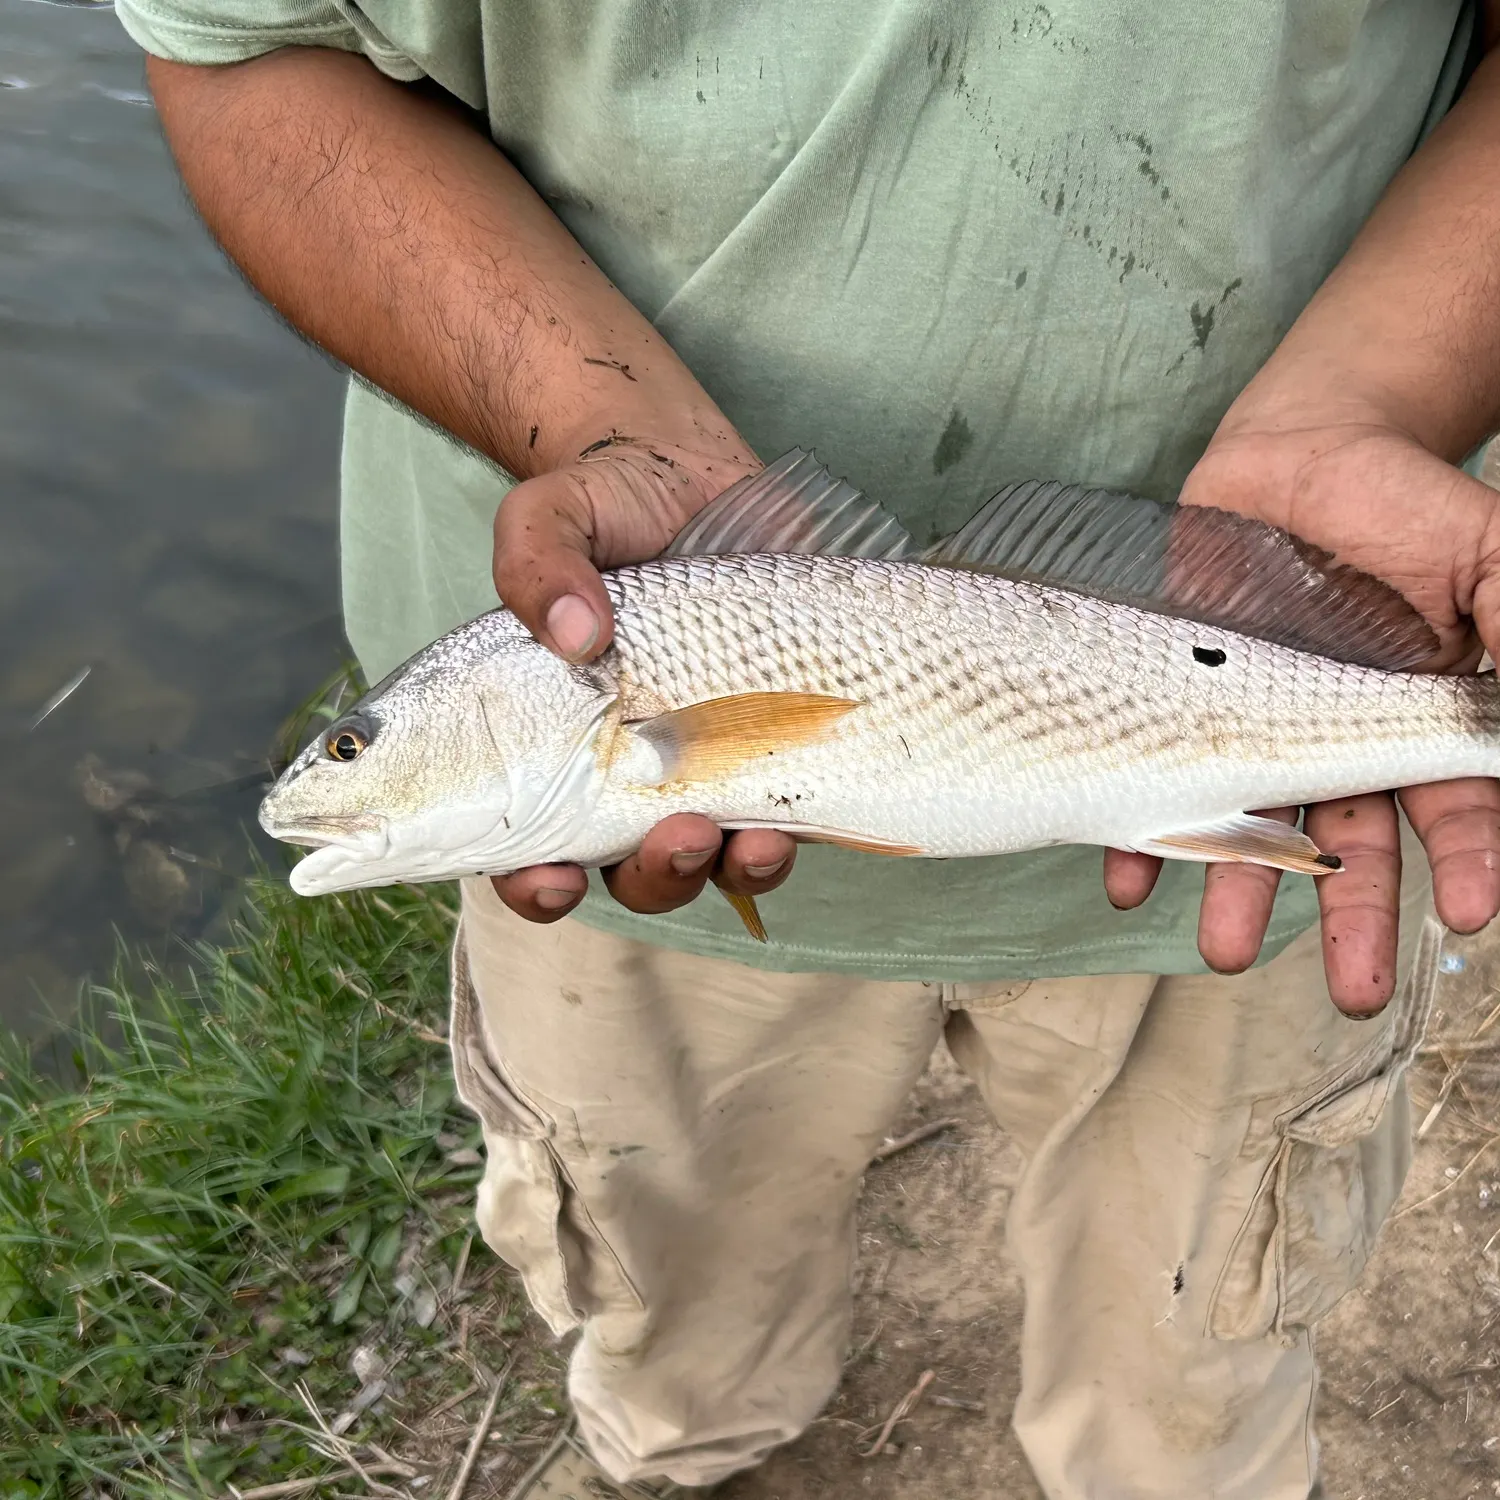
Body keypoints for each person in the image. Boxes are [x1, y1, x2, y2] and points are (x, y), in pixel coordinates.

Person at [121, 1, 1500, 1494]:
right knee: (671, 1308)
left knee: (1189, 1359)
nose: (334, 770)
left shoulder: (646, 715)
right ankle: (686, 1457)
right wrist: (584, 412)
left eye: (358, 740)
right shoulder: (602, 718)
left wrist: (1378, 396)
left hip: (1258, 679)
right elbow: (250, 43)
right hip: (630, 813)